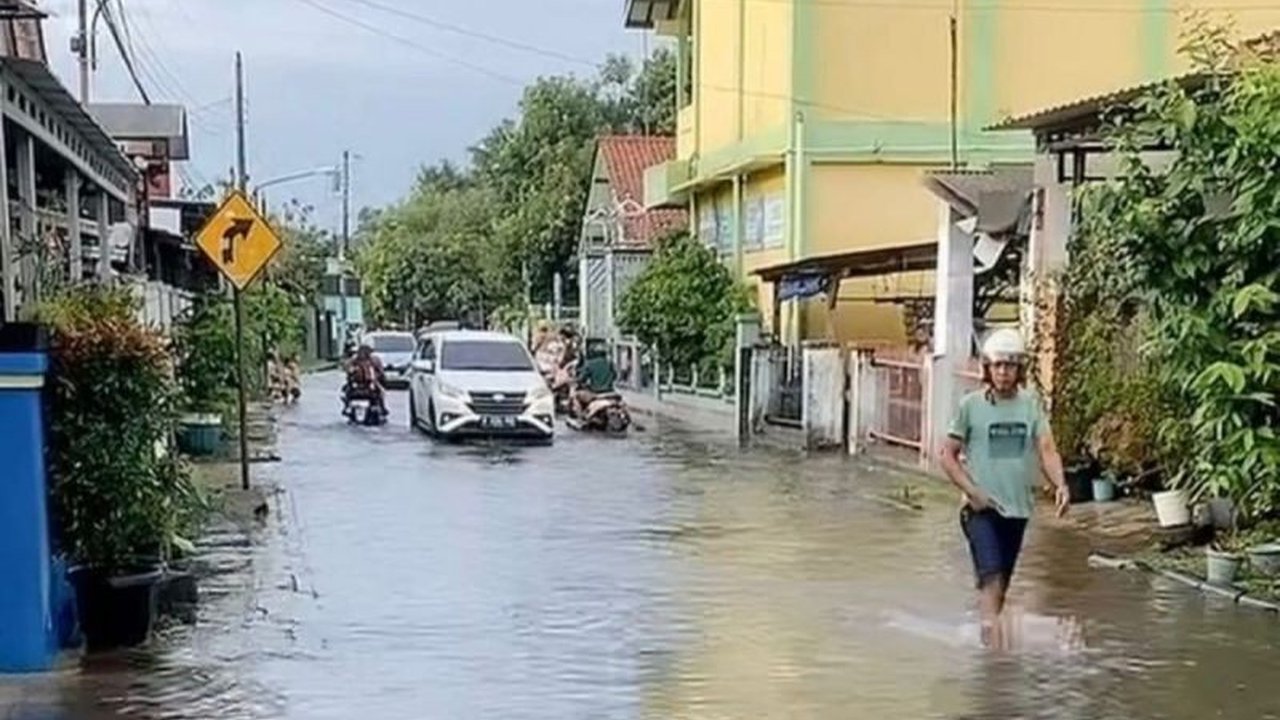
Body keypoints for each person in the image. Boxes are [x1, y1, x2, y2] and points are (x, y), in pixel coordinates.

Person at [939, 328, 1068, 650]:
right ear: (987, 369)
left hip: (1018, 510)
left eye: (1010, 366)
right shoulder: (971, 406)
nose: (1003, 372)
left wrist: (1061, 484)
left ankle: (988, 643)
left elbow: (1047, 448)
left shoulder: (1030, 405)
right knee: (993, 575)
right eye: (997, 366)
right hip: (980, 510)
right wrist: (972, 492)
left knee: (1000, 584)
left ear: (1019, 369)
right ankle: (991, 648)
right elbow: (947, 454)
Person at [571, 338, 617, 418]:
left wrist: (577, 381)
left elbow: (582, 378)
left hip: (596, 392)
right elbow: (615, 375)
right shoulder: (609, 362)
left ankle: (581, 415)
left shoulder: (590, 364)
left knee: (576, 395)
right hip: (610, 392)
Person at [344, 343, 387, 414]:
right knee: (347, 391)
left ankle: (381, 408)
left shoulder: (374, 360)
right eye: (361, 352)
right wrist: (352, 371)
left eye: (365, 352)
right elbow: (348, 368)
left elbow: (380, 372)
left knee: (380, 393)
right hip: (357, 383)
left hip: (371, 382)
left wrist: (377, 377)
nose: (362, 354)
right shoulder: (354, 360)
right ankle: (347, 406)